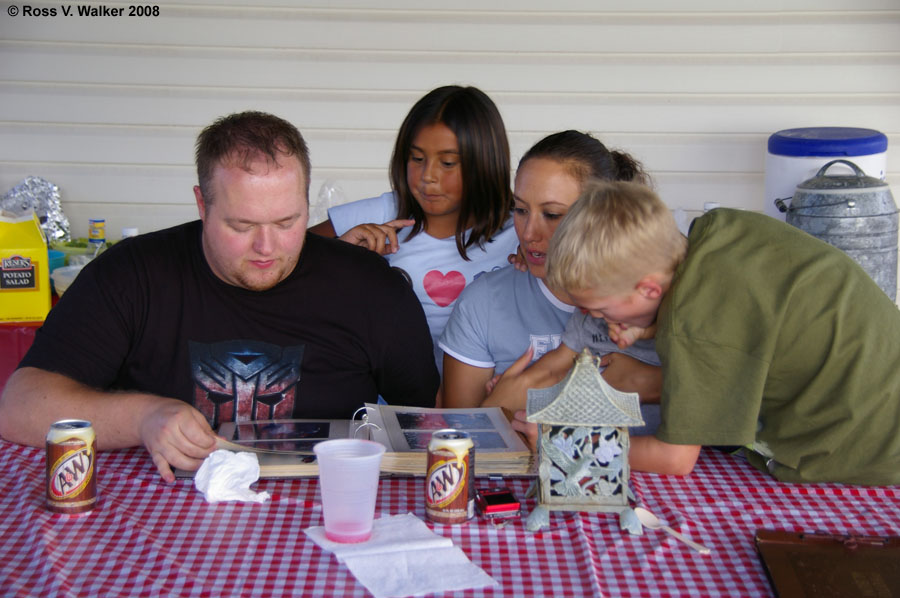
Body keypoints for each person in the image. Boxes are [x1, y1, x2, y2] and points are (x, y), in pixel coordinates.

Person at [0, 111, 439, 482]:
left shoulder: (371, 288)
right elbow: (18, 407)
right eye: (242, 226)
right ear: (202, 205)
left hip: (324, 515)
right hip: (160, 526)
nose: (267, 248)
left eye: (288, 222)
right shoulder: (131, 274)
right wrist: (143, 417)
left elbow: (427, 424)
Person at [536, 179, 900, 485]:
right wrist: (647, 327)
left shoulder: (696, 321)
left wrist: (560, 443)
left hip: (864, 442)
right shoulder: (715, 233)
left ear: (648, 290)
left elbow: (675, 460)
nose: (595, 318)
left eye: (600, 309)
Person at [439, 131, 661, 425]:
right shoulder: (484, 302)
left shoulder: (659, 295)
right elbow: (459, 439)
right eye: (520, 210)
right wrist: (503, 404)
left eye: (553, 214)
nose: (529, 233)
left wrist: (652, 382)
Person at [308, 86, 519, 373]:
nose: (428, 176)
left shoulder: (520, 228)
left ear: (484, 163)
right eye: (417, 158)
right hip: (391, 402)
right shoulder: (383, 213)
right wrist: (342, 252)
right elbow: (287, 254)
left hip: (491, 401)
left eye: (447, 163)